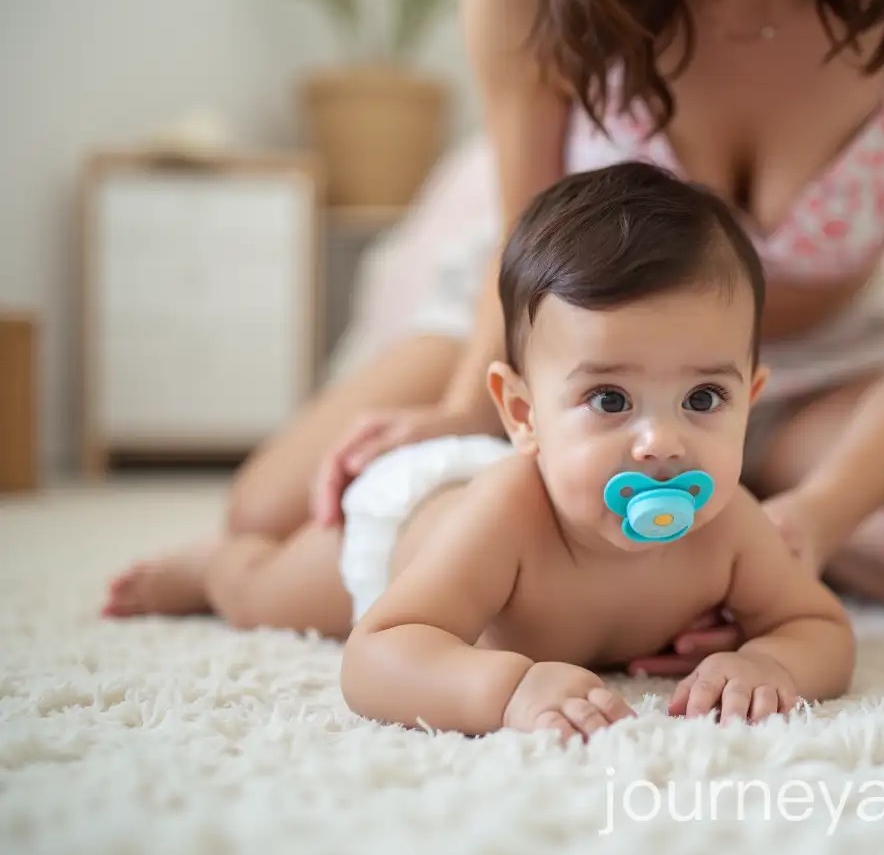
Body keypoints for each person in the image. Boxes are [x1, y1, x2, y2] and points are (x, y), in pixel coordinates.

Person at [104, 0, 884, 674]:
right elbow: (524, 263)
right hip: (559, 352)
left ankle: (728, 518)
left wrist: (812, 522)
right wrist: (466, 409)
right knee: (277, 510)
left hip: (828, 365)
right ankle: (656, 506)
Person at [337, 161, 853, 738]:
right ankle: (223, 569)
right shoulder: (504, 515)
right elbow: (374, 657)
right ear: (523, 412)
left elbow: (818, 626)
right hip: (416, 520)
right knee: (274, 591)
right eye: (610, 400)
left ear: (749, 399)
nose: (661, 443)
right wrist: (508, 690)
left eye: (704, 398)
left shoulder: (731, 524)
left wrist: (769, 662)